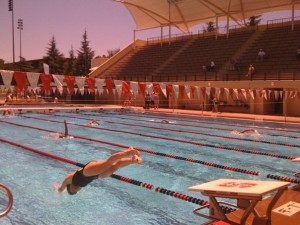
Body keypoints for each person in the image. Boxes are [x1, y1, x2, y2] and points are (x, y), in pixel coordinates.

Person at [57, 147, 143, 195]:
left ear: (68, 187)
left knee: (108, 163)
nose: (75, 189)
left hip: (87, 171)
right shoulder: (77, 189)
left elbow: (61, 188)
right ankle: (133, 160)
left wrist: (58, 190)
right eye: (75, 191)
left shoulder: (68, 179)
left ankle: (127, 152)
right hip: (96, 176)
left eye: (72, 189)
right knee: (115, 167)